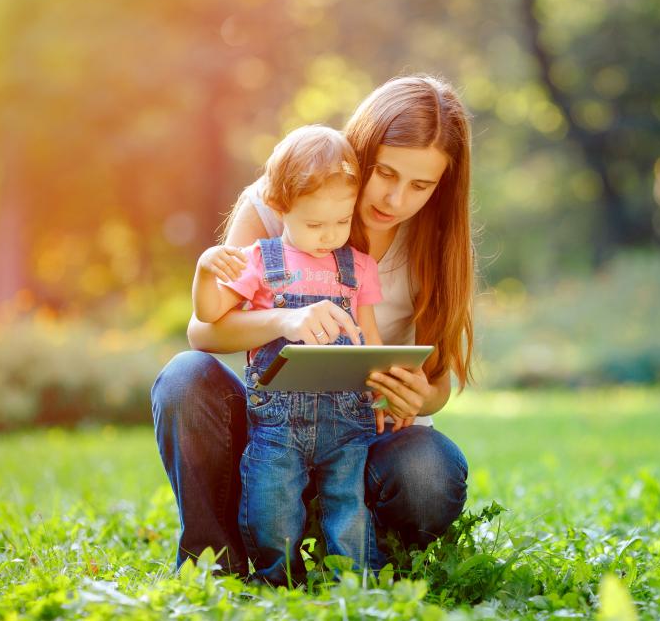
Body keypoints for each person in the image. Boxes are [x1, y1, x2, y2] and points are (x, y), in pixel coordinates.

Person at [151, 74, 474, 579]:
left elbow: (439, 384)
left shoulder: (438, 239)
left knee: (430, 472)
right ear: (359, 156)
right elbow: (206, 331)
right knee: (183, 378)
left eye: (420, 185)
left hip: (364, 439)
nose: (395, 199)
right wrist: (283, 318)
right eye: (385, 173)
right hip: (272, 433)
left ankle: (357, 549)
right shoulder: (281, 199)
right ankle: (216, 558)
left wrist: (417, 396)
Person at [192, 125, 401, 585]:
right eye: (313, 224)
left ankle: (354, 583)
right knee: (272, 502)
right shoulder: (259, 261)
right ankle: (278, 583)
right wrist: (207, 269)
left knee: (348, 504)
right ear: (279, 207)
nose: (329, 236)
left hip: (347, 419)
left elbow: (369, 338)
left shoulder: (356, 267)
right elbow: (207, 316)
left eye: (341, 221)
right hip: (278, 422)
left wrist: (384, 390)